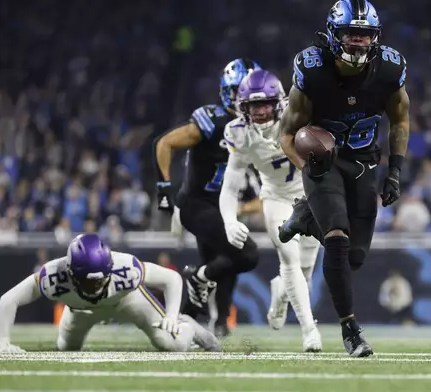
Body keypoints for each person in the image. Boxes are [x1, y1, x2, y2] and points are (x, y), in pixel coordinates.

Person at [277, 0, 410, 357]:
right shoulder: (313, 70)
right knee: (336, 237)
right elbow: (286, 135)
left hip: (364, 162)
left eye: (365, 36)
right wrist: (306, 167)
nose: (358, 42)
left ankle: (305, 217)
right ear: (334, 35)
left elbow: (399, 119)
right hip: (325, 164)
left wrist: (395, 170)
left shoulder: (388, 69)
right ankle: (351, 330)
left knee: (353, 258)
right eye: (352, 34)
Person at [154, 58, 262, 337]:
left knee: (224, 263)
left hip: (220, 208)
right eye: (242, 91)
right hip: (197, 205)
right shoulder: (212, 120)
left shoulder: (257, 126)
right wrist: (163, 186)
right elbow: (165, 143)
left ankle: (189, 318)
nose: (248, 98)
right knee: (246, 254)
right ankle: (197, 280)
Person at [219, 69, 322, 352]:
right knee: (289, 258)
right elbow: (230, 186)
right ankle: (309, 331)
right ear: (244, 107)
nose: (261, 111)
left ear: (279, 102)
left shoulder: (300, 114)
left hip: (310, 195)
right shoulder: (239, 133)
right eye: (254, 105)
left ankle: (280, 290)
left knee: (305, 272)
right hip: (275, 197)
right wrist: (229, 220)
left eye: (265, 103)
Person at [0, 234, 220, 353]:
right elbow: (9, 299)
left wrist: (171, 315)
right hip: (81, 309)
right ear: (71, 273)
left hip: (126, 300)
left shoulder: (126, 269)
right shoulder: (53, 277)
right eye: (88, 281)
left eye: (100, 279)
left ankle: (188, 326)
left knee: (172, 344)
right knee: (66, 348)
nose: (95, 287)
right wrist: (3, 342)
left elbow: (171, 278)